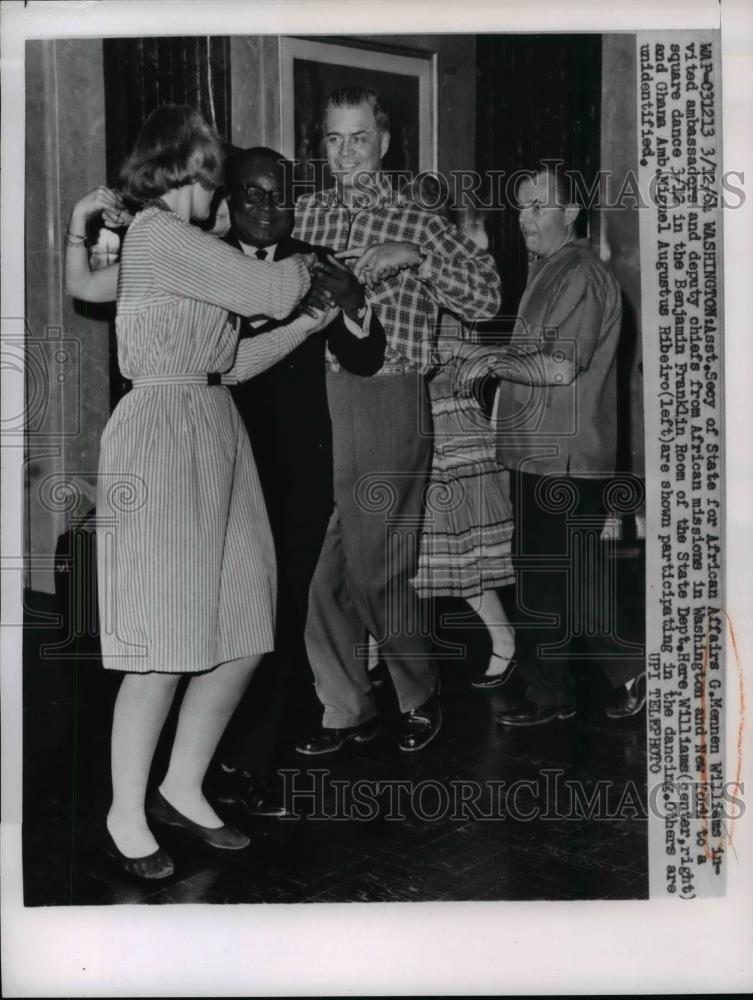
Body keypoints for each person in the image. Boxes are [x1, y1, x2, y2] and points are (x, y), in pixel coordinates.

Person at [64, 105, 332, 879]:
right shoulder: (159, 235)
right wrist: (325, 270)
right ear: (185, 169)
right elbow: (276, 284)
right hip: (160, 435)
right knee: (162, 643)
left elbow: (232, 362)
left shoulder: (187, 251)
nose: (222, 186)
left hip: (212, 424)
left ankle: (182, 785)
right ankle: (124, 810)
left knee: (245, 628)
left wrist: (308, 325)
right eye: (214, 169)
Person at [293, 87, 502, 755]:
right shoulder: (304, 214)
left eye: (358, 138)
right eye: (333, 139)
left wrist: (414, 256)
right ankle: (344, 704)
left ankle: (417, 692)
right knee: (318, 567)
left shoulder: (418, 219)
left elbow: (485, 296)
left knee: (379, 563)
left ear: (383, 144)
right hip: (312, 403)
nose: (346, 152)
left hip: (388, 398)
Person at [212, 146, 386, 816]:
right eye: (252, 195)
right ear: (230, 198)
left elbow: (365, 355)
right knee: (224, 608)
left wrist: (353, 301)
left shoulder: (314, 258)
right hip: (221, 456)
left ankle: (254, 761)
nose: (266, 209)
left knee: (283, 610)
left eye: (279, 196)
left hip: (298, 465)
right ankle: (202, 753)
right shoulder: (202, 256)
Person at [453, 164, 645, 726]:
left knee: (557, 583)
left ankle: (575, 687)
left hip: (562, 459)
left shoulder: (579, 273)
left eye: (538, 207)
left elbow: (561, 367)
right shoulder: (552, 270)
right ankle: (586, 682)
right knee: (564, 582)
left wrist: (491, 359)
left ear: (571, 212)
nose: (524, 219)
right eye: (520, 208)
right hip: (541, 454)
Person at [400, 175, 517, 688]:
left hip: (452, 422)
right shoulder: (395, 269)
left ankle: (505, 642)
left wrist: (451, 355)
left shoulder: (458, 270)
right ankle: (384, 659)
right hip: (409, 417)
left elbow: (484, 351)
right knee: (401, 550)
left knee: (465, 549)